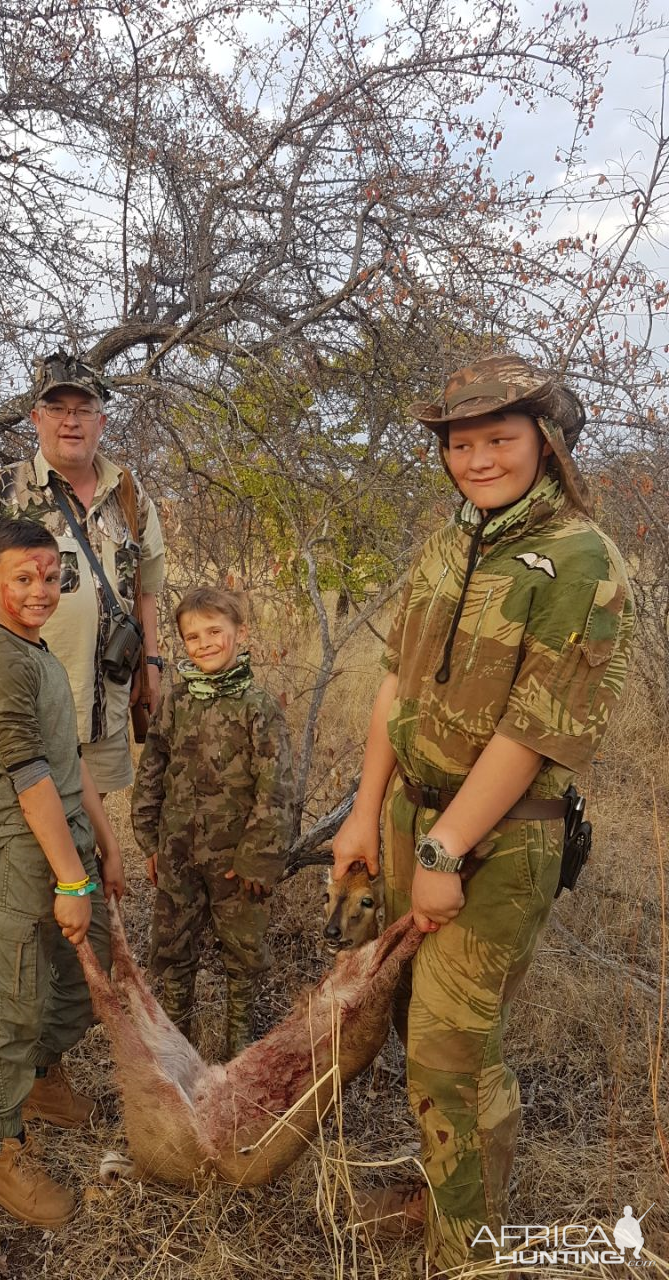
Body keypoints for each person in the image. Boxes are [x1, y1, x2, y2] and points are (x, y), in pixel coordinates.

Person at [332, 354, 634, 1276]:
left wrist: (445, 845)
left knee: (454, 1049)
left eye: (500, 440)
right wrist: (364, 810)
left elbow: (535, 734)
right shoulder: (452, 536)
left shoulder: (579, 559)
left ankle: (471, 1248)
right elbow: (396, 681)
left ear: (547, 442)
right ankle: (442, 1188)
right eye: (462, 445)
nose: (479, 460)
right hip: (408, 823)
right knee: (413, 1022)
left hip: (497, 841)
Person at [0, 351, 166, 1081]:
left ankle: (49, 1025)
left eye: (84, 408)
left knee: (78, 853)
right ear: (36, 417)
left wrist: (154, 673)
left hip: (99, 711)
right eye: (57, 408)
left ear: (100, 417)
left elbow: (148, 591)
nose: (71, 420)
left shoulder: (130, 495)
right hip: (17, 716)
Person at [0, 517, 123, 1227]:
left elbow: (70, 764)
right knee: (13, 1004)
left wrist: (104, 844)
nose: (38, 590)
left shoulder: (39, 653)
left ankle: (42, 1081)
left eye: (50, 576)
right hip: (21, 860)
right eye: (21, 579)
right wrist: (70, 881)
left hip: (64, 849)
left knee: (74, 988)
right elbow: (30, 782)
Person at [131, 586, 296, 1058]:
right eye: (191, 636)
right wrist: (149, 843)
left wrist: (258, 862)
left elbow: (276, 789)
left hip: (236, 862)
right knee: (172, 949)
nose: (203, 644)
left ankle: (238, 1049)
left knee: (242, 954)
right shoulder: (177, 701)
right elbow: (153, 769)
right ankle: (176, 1046)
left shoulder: (258, 707)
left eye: (214, 632)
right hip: (178, 854)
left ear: (240, 633)